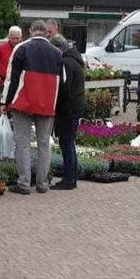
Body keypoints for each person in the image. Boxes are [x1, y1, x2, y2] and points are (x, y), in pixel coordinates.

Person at [1, 20, 64, 195]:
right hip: (47, 104)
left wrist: (5, 102)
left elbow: (12, 78)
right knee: (44, 144)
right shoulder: (57, 53)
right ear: (46, 32)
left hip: (24, 102)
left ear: (30, 31)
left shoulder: (21, 48)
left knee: (22, 143)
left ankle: (24, 183)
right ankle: (42, 183)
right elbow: (62, 82)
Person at [50, 34, 86, 190]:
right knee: (69, 142)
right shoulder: (76, 60)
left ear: (58, 48)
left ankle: (69, 179)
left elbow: (64, 87)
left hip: (68, 108)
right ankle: (72, 177)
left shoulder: (66, 62)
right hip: (76, 106)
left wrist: (56, 105)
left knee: (66, 142)